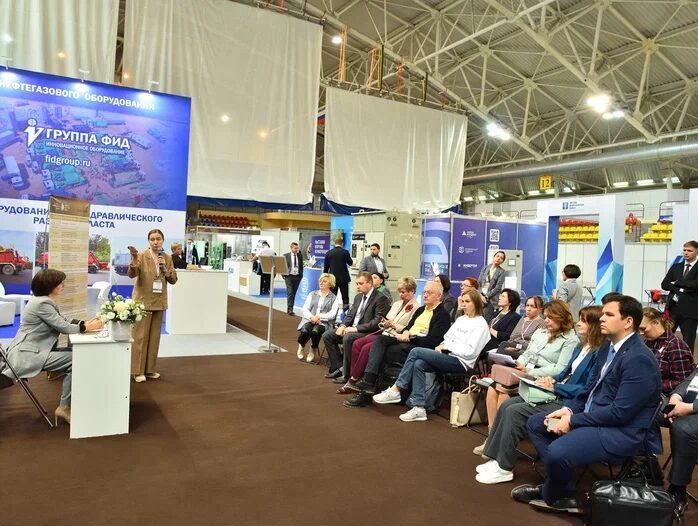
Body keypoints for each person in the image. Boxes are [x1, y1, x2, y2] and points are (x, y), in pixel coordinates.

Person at [516, 295, 661, 514]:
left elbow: (620, 413)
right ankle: (561, 487)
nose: (601, 318)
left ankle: (554, 493)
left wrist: (572, 420)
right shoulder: (607, 347)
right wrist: (568, 409)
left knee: (557, 451)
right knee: (537, 423)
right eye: (603, 314)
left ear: (628, 322)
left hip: (621, 432)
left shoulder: (639, 358)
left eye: (609, 314)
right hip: (596, 417)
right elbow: (590, 390)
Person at [475, 306, 603, 484]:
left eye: (583, 321)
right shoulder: (581, 346)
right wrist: (550, 381)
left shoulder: (597, 352)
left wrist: (556, 386)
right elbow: (564, 373)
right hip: (557, 392)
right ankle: (495, 457)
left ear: (594, 326)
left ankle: (504, 467)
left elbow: (586, 389)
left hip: (570, 403)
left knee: (514, 411)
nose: (578, 323)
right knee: (507, 405)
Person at [474, 299, 578, 455]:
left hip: (543, 378)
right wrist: (519, 364)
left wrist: (530, 372)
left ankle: (499, 442)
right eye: (546, 317)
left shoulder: (570, 340)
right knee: (492, 389)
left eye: (550, 317)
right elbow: (527, 353)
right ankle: (492, 437)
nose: (546, 321)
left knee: (503, 391)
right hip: (525, 371)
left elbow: (560, 368)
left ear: (561, 317)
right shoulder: (540, 332)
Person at [0, 269, 102, 425]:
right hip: (28, 355)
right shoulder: (42, 303)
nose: (63, 285)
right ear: (49, 285)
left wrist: (85, 324)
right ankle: (64, 408)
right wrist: (86, 327)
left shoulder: (41, 301)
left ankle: (68, 405)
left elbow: (63, 320)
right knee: (77, 359)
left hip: (31, 350)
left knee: (78, 355)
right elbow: (64, 327)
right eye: (59, 283)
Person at [372, 289, 490, 422]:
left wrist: (447, 347)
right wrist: (443, 346)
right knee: (419, 364)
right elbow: (447, 337)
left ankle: (396, 389)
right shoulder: (461, 319)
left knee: (416, 351)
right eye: (462, 301)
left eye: (467, 301)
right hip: (447, 355)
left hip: (461, 362)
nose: (463, 304)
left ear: (476, 303)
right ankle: (419, 408)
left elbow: (470, 351)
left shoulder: (481, 324)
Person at [347, 281, 451, 401]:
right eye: (424, 292)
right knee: (380, 340)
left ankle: (367, 385)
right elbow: (408, 327)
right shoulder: (421, 310)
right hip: (406, 339)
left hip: (418, 346)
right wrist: (406, 332)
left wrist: (410, 337)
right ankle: (368, 382)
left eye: (429, 293)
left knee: (378, 352)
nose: (425, 295)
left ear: (439, 296)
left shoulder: (442, 315)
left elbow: (433, 341)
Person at [339, 277, 419, 395]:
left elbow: (408, 328)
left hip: (395, 337)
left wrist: (393, 324)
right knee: (357, 343)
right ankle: (356, 376)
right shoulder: (396, 304)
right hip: (384, 332)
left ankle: (353, 380)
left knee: (366, 348)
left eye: (403, 292)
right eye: (400, 292)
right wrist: (384, 323)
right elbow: (386, 320)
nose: (401, 295)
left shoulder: (416, 307)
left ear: (412, 291)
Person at [128, 229, 178, 383]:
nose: (155, 242)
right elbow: (131, 274)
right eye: (152, 239)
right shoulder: (142, 255)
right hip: (143, 300)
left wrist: (165, 269)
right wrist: (134, 258)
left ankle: (149, 369)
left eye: (158, 239)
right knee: (140, 337)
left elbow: (173, 279)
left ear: (163, 240)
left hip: (159, 300)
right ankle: (137, 371)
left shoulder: (167, 258)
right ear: (148, 241)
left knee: (154, 338)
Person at [322, 271, 390, 382]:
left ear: (369, 283)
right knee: (327, 335)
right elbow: (350, 315)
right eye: (357, 283)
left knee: (348, 337)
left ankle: (347, 374)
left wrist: (355, 329)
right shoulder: (358, 297)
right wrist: (343, 325)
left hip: (367, 332)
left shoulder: (381, 298)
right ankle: (340, 367)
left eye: (361, 283)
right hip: (351, 329)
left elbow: (376, 323)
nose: (358, 286)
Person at [663, 368, 698, 516]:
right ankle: (648, 467)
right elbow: (689, 380)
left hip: (692, 409)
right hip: (686, 405)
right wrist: (675, 398)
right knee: (648, 408)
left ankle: (678, 488)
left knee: (683, 429)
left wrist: (689, 408)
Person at [640, 307, 694, 394]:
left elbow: (683, 383)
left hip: (664, 396)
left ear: (656, 323)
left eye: (643, 328)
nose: (641, 333)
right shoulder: (647, 342)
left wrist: (653, 385)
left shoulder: (675, 346)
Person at [661, 240, 698, 354]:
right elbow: (664, 284)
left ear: (697, 251)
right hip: (673, 308)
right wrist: (680, 289)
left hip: (690, 310)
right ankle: (661, 359)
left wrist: (676, 283)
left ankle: (687, 362)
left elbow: (695, 285)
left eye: (689, 250)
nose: (686, 253)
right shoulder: (676, 266)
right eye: (684, 250)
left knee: (688, 341)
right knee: (664, 338)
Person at [296, 273, 338, 363]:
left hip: (324, 323)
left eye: (324, 281)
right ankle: (302, 345)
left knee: (316, 331)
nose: (321, 283)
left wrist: (319, 317)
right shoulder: (312, 294)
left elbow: (332, 314)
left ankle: (313, 348)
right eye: (320, 281)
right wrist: (312, 317)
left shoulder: (334, 298)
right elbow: (305, 309)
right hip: (309, 319)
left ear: (330, 284)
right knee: (305, 330)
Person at [323, 236, 353, 310]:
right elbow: (350, 263)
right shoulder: (345, 252)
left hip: (332, 279)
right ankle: (345, 312)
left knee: (332, 296)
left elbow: (326, 267)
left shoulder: (328, 253)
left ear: (334, 243)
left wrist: (325, 278)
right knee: (345, 297)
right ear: (342, 244)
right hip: (344, 278)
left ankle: (330, 311)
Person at [283, 242, 304, 316]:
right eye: (295, 248)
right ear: (291, 248)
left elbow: (301, 265)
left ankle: (290, 308)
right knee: (290, 292)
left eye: (297, 248)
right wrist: (284, 275)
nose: (296, 249)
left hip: (297, 276)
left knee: (294, 293)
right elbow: (283, 265)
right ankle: (290, 309)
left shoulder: (300, 255)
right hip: (289, 276)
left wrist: (301, 275)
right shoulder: (286, 255)